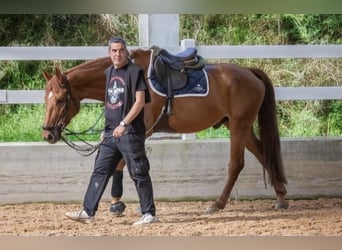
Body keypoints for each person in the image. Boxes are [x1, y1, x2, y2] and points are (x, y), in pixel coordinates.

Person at [65, 36, 157, 225]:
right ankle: (87, 211)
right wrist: (106, 128)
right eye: (114, 51)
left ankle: (148, 213)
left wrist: (123, 124)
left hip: (129, 132)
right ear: (109, 53)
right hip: (110, 133)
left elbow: (140, 102)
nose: (117, 54)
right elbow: (110, 103)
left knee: (139, 171)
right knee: (100, 170)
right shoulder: (108, 72)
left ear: (125, 52)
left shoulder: (135, 72)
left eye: (121, 50)